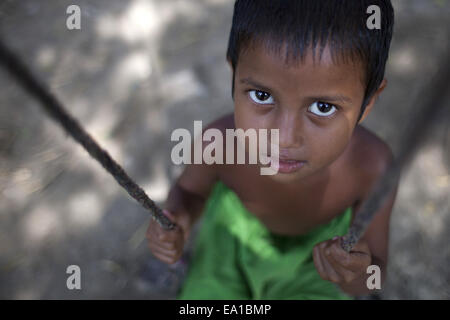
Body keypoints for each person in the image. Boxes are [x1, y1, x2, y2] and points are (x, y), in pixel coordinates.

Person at [146, 0, 398, 299]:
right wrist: (177, 219)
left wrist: (353, 272)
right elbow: (190, 193)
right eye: (262, 95)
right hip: (232, 238)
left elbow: (374, 275)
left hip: (320, 261)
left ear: (368, 103)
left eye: (323, 107)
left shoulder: (373, 167)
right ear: (234, 74)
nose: (284, 138)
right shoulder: (218, 143)